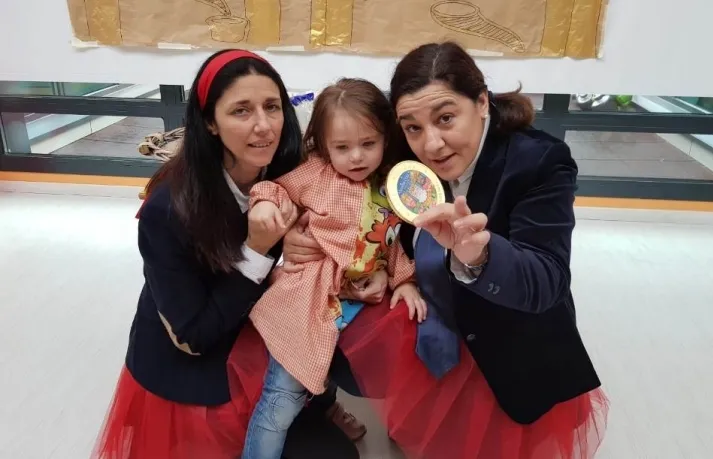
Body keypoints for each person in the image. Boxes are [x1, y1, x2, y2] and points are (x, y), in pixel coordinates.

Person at [282, 41, 609, 459]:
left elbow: (548, 279)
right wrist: (302, 236)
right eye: (413, 127)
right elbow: (356, 197)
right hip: (432, 318)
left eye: (446, 118)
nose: (432, 145)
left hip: (507, 336)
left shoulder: (539, 162)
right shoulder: (404, 153)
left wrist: (481, 257)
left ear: (482, 102)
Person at [91, 49, 362, 459]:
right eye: (241, 111)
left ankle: (319, 402)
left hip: (271, 326)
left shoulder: (289, 167)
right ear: (210, 123)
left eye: (272, 107)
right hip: (201, 361)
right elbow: (194, 336)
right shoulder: (168, 209)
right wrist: (259, 250)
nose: (264, 126)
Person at [237, 78, 427, 459]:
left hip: (352, 305)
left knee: (328, 374)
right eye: (342, 147)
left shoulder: (391, 185)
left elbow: (388, 240)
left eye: (368, 144)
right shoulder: (316, 173)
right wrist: (266, 204)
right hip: (308, 302)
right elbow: (274, 188)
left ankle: (328, 409)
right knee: (281, 400)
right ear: (324, 146)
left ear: (385, 138)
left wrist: (405, 281)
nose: (356, 157)